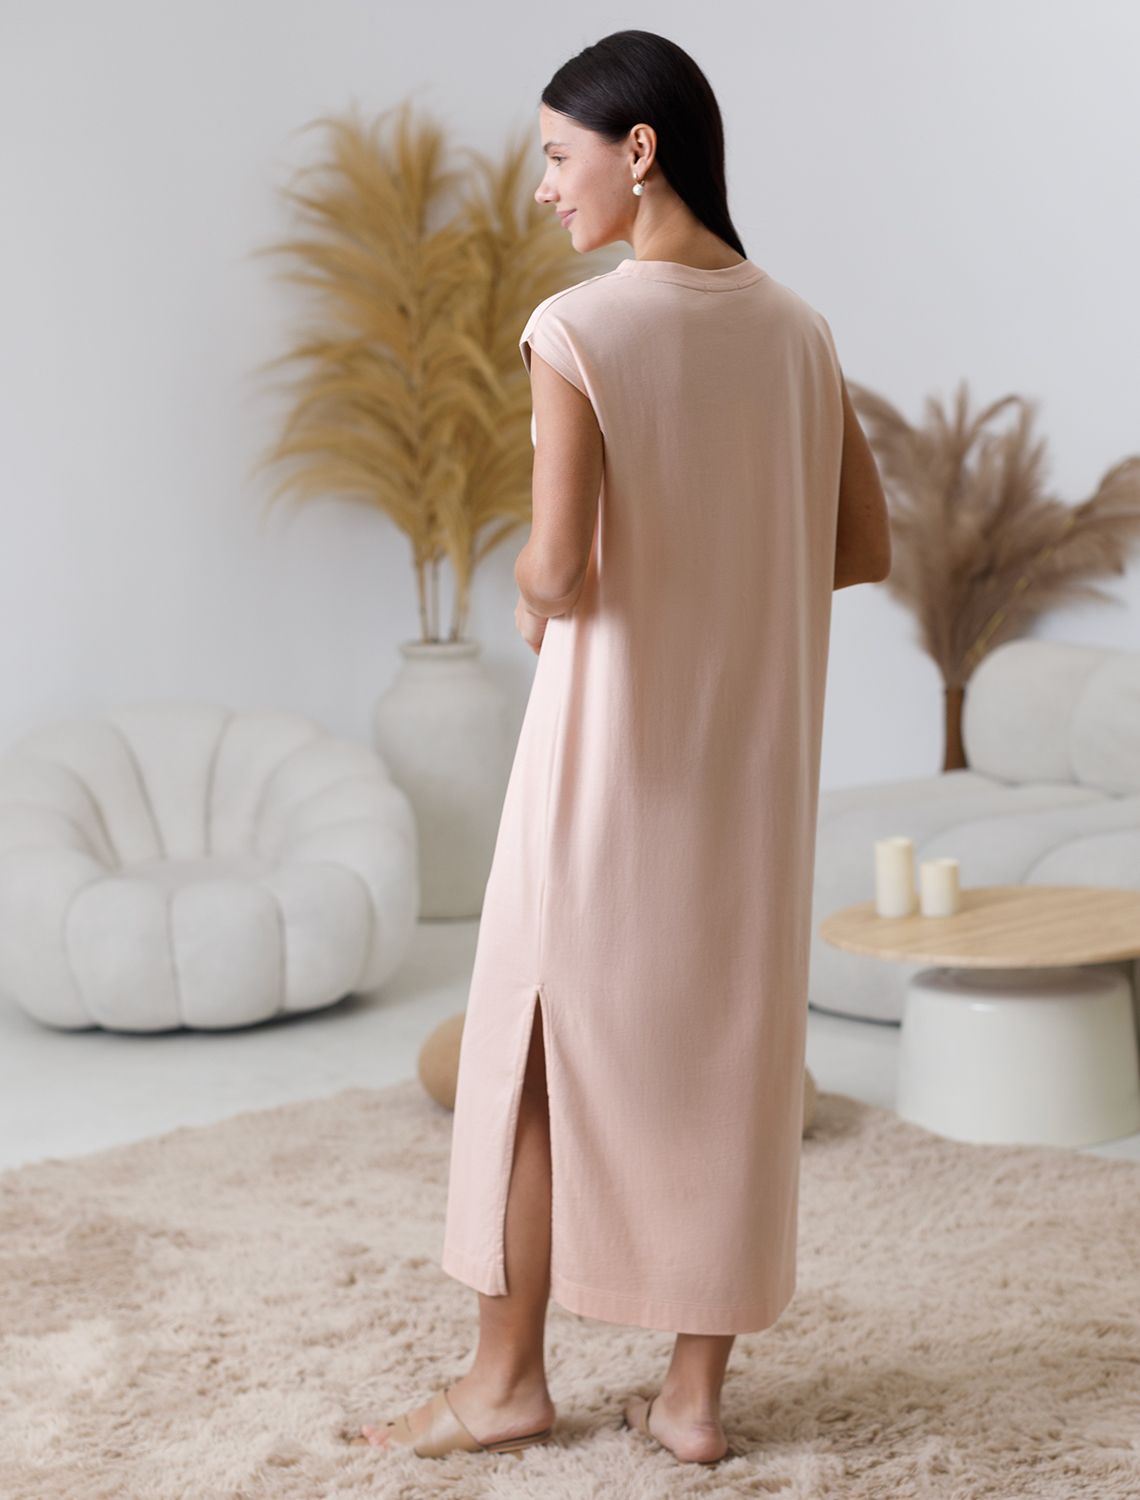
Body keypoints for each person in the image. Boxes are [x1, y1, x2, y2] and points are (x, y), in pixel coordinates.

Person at [355, 27, 890, 1468]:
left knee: (531, 1050)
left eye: (556, 155)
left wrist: (536, 596)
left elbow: (556, 564)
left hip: (606, 760)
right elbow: (861, 546)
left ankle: (505, 1381)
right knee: (726, 1058)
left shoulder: (579, 330)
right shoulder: (799, 330)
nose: (544, 187)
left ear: (636, 150)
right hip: (752, 768)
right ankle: (692, 1401)